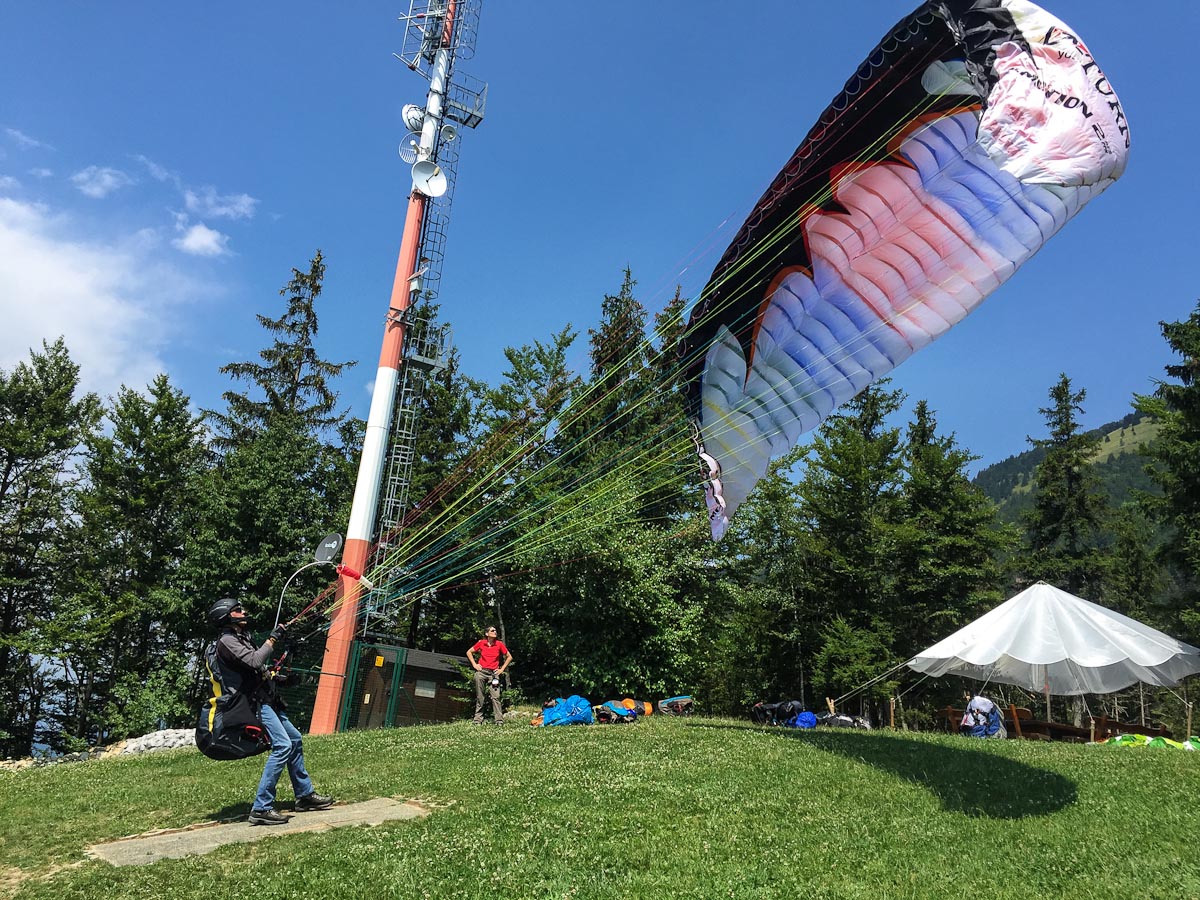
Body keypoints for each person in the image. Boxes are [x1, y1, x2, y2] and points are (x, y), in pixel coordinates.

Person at [207, 598, 335, 825]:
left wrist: (282, 679)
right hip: (253, 703)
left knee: (294, 739)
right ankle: (261, 807)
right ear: (226, 617)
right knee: (283, 745)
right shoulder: (227, 641)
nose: (243, 612)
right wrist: (273, 639)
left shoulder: (241, 637)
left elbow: (259, 671)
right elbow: (255, 661)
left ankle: (304, 795)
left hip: (266, 698)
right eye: (238, 610)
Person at [466, 625, 512, 725]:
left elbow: (509, 657)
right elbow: (469, 652)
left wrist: (502, 669)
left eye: (495, 630)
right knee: (480, 696)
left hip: (493, 675)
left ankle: (499, 720)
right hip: (481, 673)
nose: (495, 632)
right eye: (492, 630)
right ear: (487, 633)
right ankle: (477, 720)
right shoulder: (481, 643)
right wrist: (474, 664)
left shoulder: (499, 644)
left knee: (496, 696)